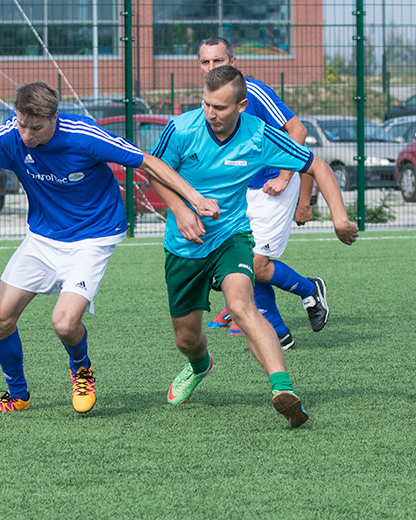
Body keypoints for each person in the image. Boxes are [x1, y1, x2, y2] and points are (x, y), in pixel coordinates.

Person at [0, 81, 219, 415]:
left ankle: (81, 370)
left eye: (35, 127)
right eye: (21, 124)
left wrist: (194, 199)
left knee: (64, 323)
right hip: (42, 239)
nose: (26, 135)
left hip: (93, 238)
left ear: (54, 118)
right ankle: (18, 395)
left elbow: (147, 161)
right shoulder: (10, 135)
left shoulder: (83, 135)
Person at [148, 65, 358, 428]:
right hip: (184, 245)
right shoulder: (181, 128)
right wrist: (181, 210)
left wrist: (339, 219)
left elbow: (318, 167)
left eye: (220, 107)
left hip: (231, 236)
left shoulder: (259, 136)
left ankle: (283, 389)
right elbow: (153, 169)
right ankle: (200, 365)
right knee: (187, 338)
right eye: (206, 104)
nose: (210, 113)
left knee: (242, 305)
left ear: (241, 105)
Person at [197, 37, 330, 346]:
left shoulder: (253, 91)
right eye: (205, 62)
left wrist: (285, 178)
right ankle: (279, 334)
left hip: (273, 186)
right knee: (242, 261)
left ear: (233, 62)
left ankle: (310, 290)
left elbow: (298, 131)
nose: (211, 67)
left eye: (218, 60)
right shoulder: (208, 102)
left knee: (256, 264)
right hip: (243, 191)